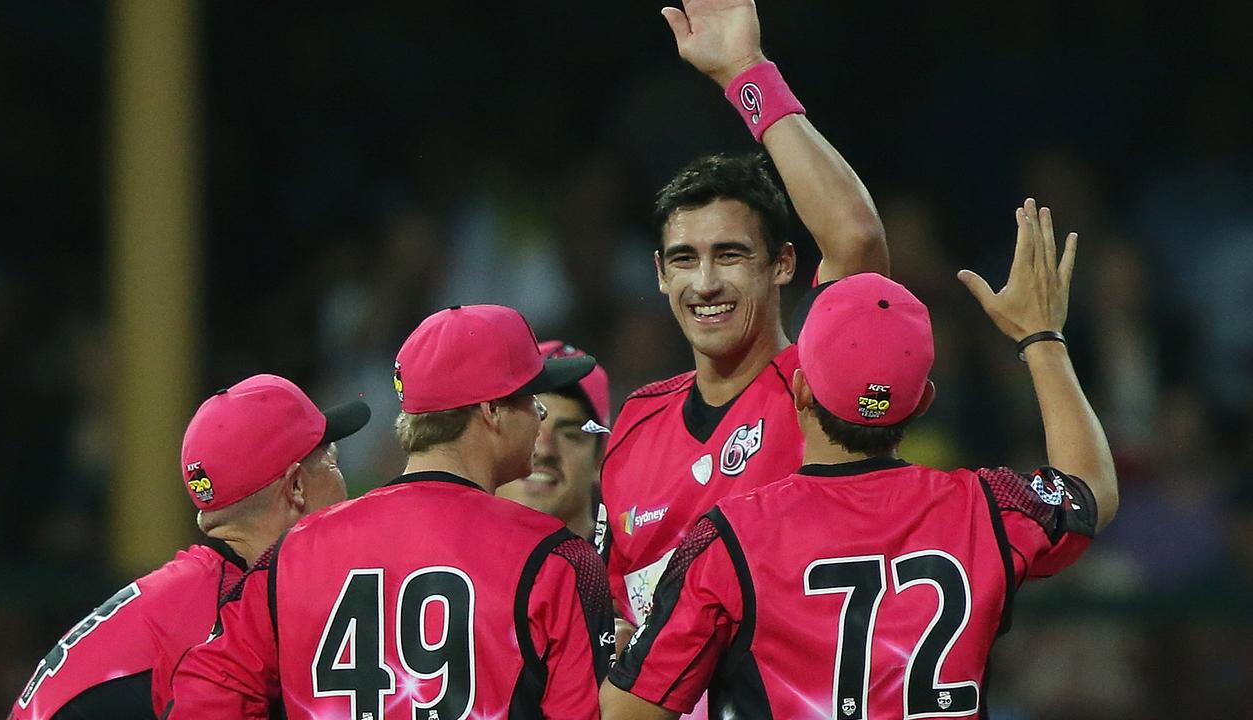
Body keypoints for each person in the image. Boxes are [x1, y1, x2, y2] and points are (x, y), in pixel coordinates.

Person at [599, 200, 1120, 719]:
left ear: (800, 390)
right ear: (922, 402)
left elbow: (629, 712)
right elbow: (1092, 487)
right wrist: (1043, 340)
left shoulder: (728, 538)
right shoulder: (985, 509)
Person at [168, 305, 617, 719]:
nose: (539, 416)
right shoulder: (558, 559)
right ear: (493, 410)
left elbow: (204, 697)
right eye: (530, 398)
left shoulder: (293, 552)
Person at [600, 0, 888, 630]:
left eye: (729, 255)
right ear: (659, 273)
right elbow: (623, 607)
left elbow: (858, 243)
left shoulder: (815, 388)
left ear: (783, 264)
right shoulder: (633, 425)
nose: (704, 284)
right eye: (684, 259)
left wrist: (746, 72)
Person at [10, 374, 370, 720]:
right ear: (296, 488)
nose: (344, 484)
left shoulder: (198, 592)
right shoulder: (228, 611)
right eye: (332, 463)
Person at [498, 340, 611, 541]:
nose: (544, 449)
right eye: (529, 427)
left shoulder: (633, 568)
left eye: (569, 435)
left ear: (600, 459)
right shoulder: (441, 557)